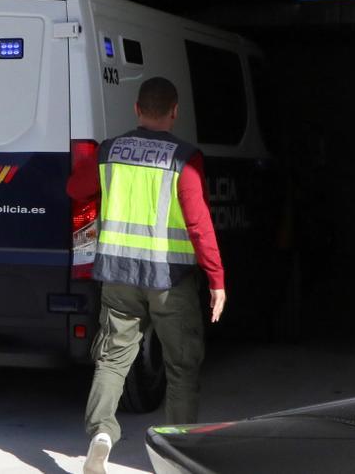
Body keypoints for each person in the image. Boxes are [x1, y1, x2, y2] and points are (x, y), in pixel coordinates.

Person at [67, 76, 226, 474]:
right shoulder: (183, 158)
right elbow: (199, 224)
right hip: (170, 282)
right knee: (181, 366)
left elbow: (75, 188)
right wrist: (217, 279)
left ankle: (101, 434)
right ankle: (176, 455)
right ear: (175, 112)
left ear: (136, 109)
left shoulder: (109, 152)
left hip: (118, 276)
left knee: (113, 360)